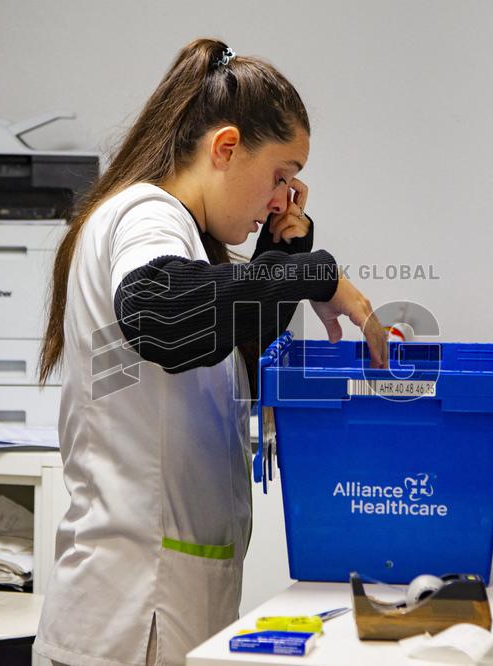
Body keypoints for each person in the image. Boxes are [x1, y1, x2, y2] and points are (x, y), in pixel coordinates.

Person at [34, 38, 387, 666]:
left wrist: (289, 255)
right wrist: (319, 277)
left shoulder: (187, 245)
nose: (282, 199)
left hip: (159, 613)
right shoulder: (148, 216)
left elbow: (220, 335)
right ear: (225, 148)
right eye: (280, 177)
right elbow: (163, 313)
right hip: (130, 622)